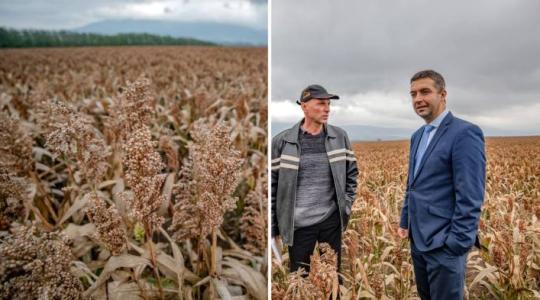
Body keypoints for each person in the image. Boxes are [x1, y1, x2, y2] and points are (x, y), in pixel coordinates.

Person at [398, 70, 486, 299]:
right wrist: (405, 219)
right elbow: (413, 183)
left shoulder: (464, 133)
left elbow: (471, 194)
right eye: (413, 94)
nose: (418, 99)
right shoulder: (418, 135)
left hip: (445, 244)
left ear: (443, 94)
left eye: (425, 91)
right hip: (418, 239)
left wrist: (457, 243)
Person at [271, 84, 358, 273]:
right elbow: (273, 186)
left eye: (328, 104)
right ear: (304, 106)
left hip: (330, 220)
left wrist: (346, 206)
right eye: (320, 104)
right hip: (299, 225)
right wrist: (273, 227)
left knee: (332, 278)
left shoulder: (340, 136)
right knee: (300, 280)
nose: (327, 109)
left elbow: (352, 174)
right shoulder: (282, 142)